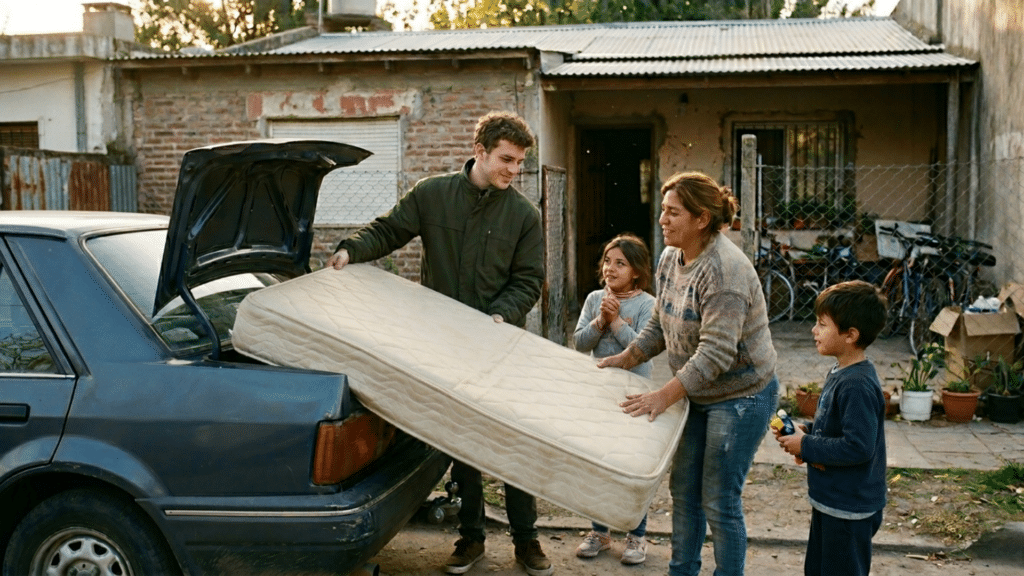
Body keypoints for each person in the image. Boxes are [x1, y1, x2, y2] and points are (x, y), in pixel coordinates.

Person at [327, 111, 550, 576]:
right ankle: (471, 539)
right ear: (480, 151)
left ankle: (528, 542)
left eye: (520, 163)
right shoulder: (433, 195)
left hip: (500, 347)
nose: (513, 170)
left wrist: (500, 314)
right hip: (445, 349)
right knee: (462, 443)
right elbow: (387, 230)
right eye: (506, 159)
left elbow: (530, 281)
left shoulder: (525, 215)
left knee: (513, 445)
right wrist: (351, 249)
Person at [597, 171, 778, 576]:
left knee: (719, 499)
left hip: (742, 395)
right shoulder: (668, 258)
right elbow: (662, 323)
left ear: (701, 219)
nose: (661, 220)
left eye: (672, 213)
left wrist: (663, 396)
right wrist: (626, 357)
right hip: (698, 391)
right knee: (684, 491)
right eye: (662, 211)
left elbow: (715, 353)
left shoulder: (724, 271)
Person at [774, 280, 888, 576]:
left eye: (822, 324)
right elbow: (836, 425)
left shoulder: (857, 384)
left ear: (851, 335)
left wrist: (807, 446)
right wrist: (807, 431)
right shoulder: (842, 371)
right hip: (831, 500)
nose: (814, 330)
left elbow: (858, 446)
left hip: (849, 507)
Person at [571, 232, 655, 565]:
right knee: (598, 462)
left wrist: (617, 323)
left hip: (634, 397)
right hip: (598, 395)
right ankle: (600, 532)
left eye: (620, 263)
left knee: (633, 465)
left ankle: (636, 536)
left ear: (637, 270)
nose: (611, 268)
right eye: (607, 261)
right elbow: (580, 342)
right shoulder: (594, 299)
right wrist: (600, 320)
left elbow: (644, 352)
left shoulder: (647, 304)